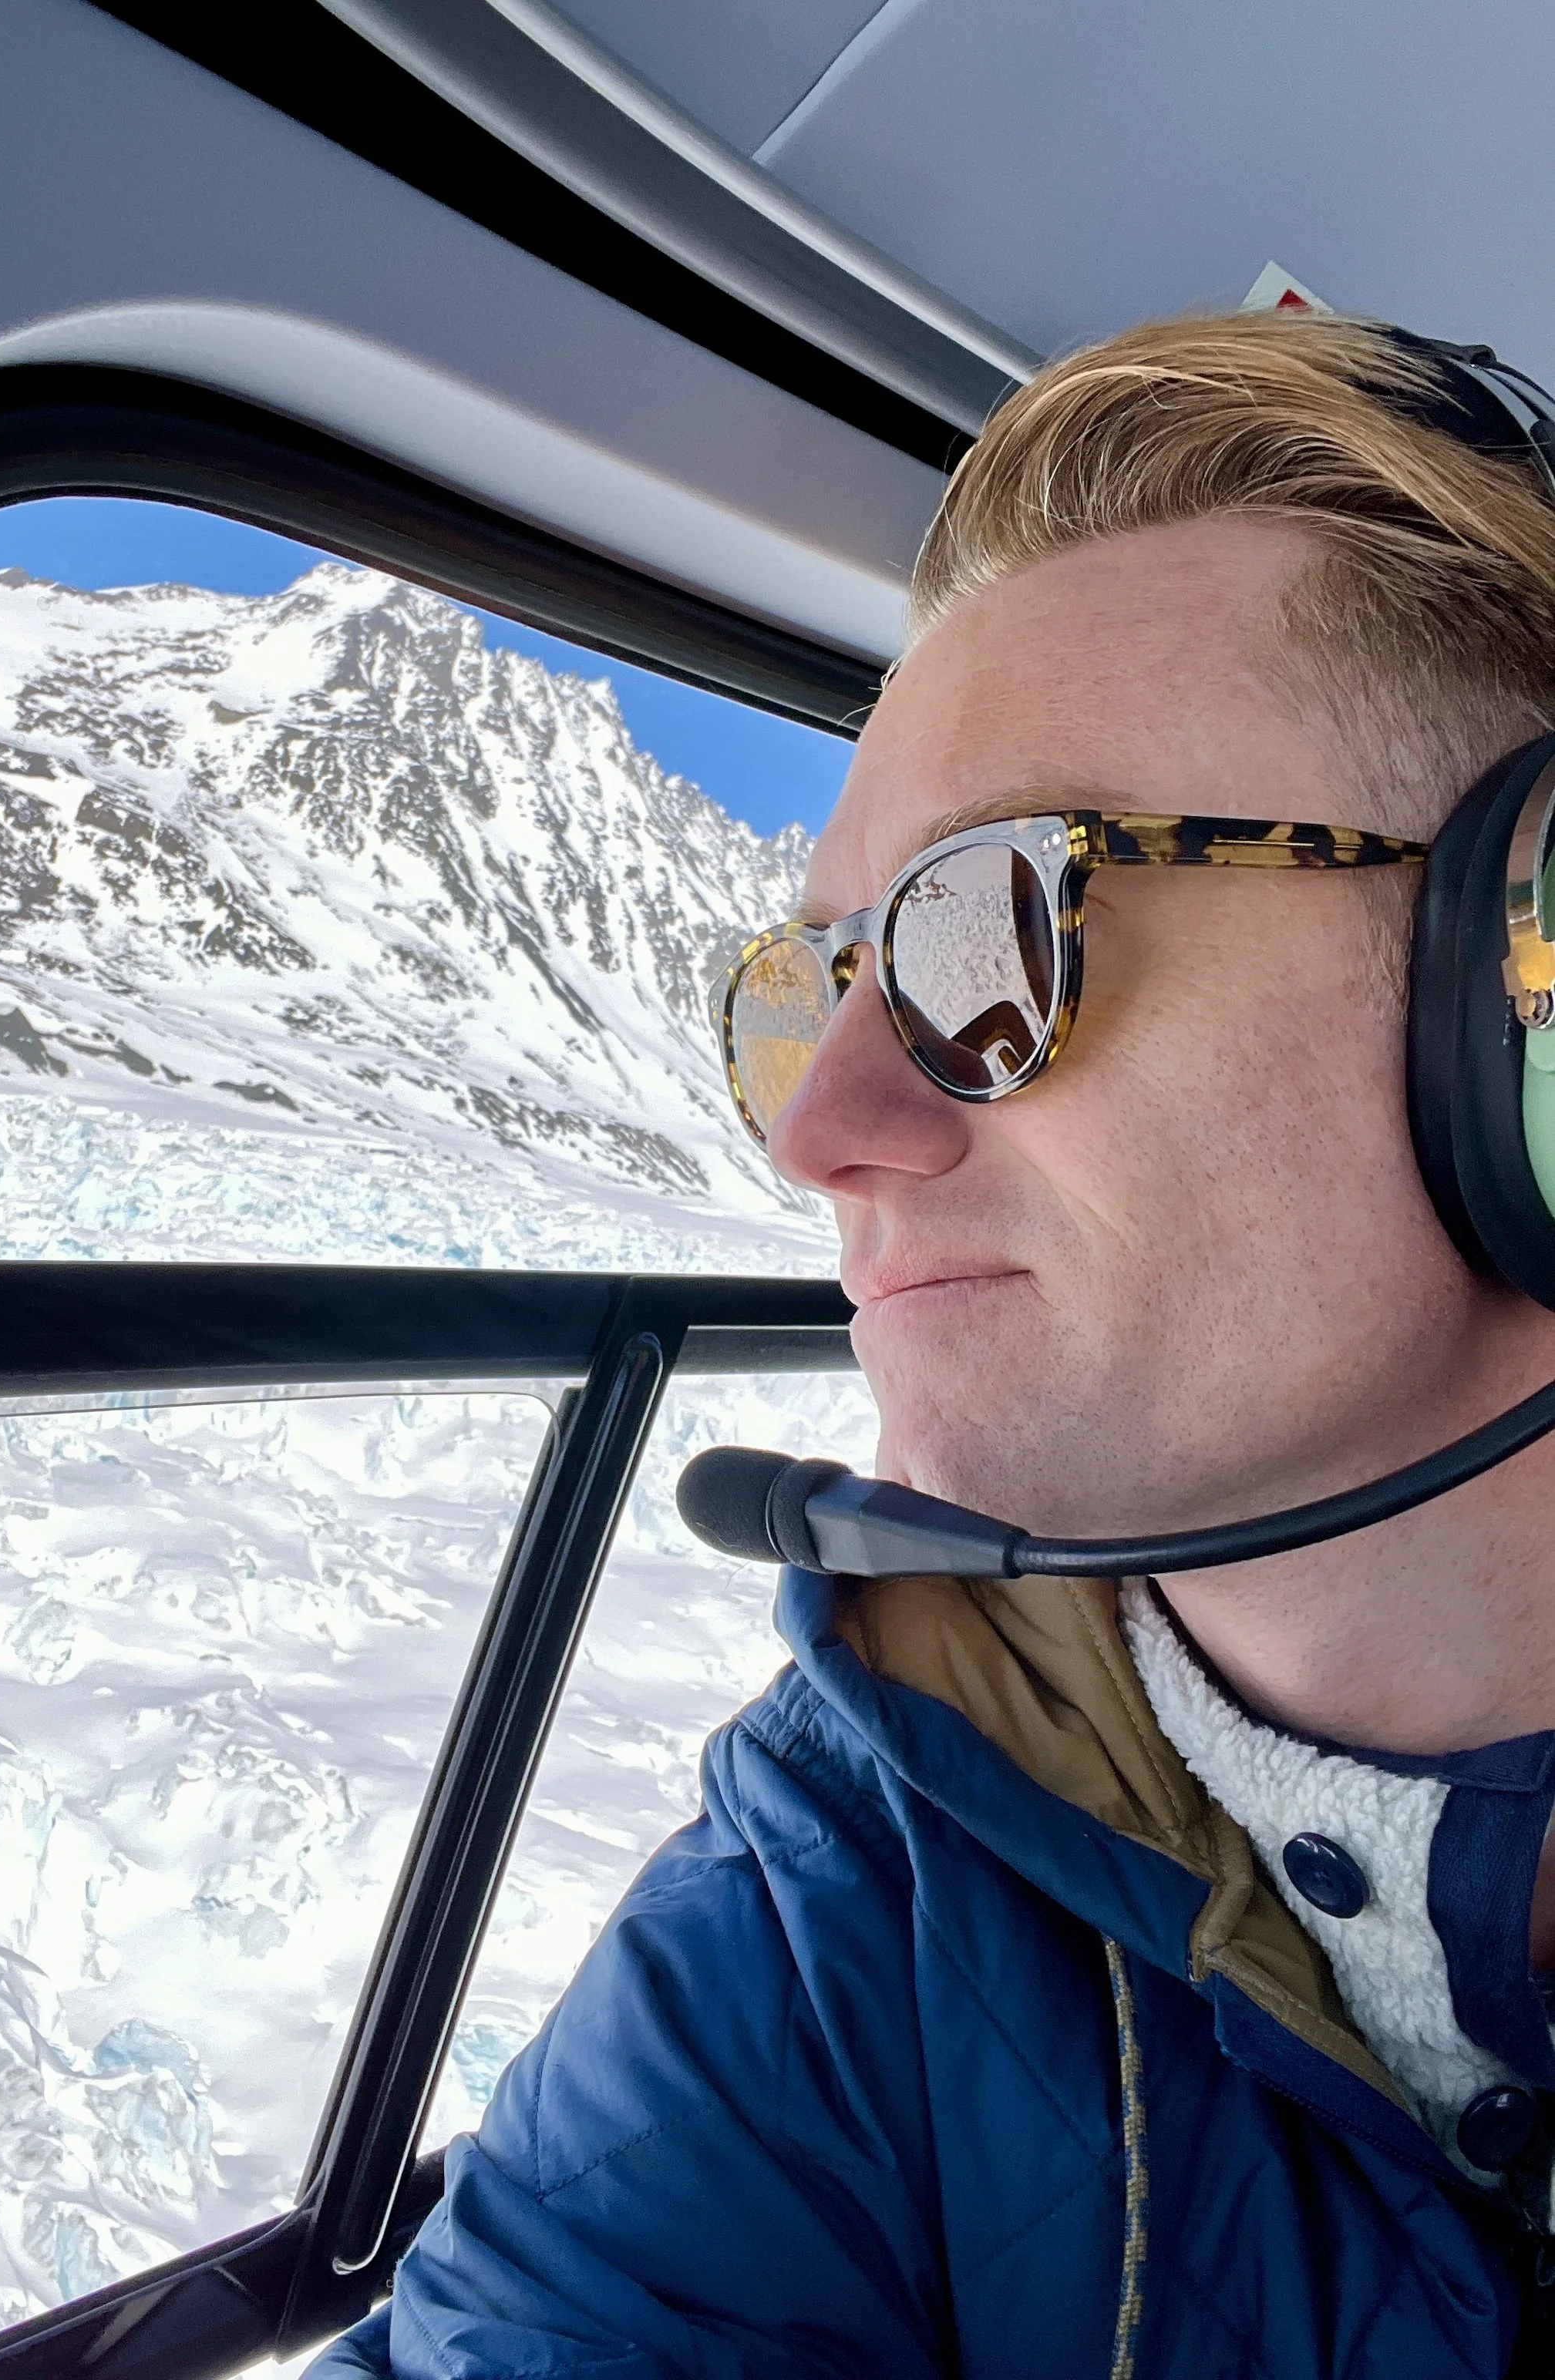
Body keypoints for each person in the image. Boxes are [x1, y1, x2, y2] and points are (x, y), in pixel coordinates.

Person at [314, 308, 1555, 2377]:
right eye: (807, 992)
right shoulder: (854, 1879)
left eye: (994, 932)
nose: (821, 1135)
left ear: (1519, 1005)